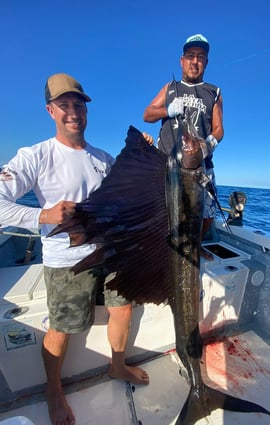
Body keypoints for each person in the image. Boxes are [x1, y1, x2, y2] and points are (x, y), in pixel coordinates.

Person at [0, 73, 152, 425]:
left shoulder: (103, 159)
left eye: (78, 105)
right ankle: (53, 388)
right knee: (64, 327)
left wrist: (141, 155)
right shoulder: (34, 155)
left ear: (86, 110)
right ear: (50, 110)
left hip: (110, 251)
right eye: (64, 105)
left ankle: (117, 366)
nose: (73, 112)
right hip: (67, 261)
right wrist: (43, 214)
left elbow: (124, 195)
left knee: (123, 310)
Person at [144, 34, 224, 259]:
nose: (195, 61)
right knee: (164, 211)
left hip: (200, 162)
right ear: (182, 60)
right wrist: (167, 110)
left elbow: (219, 128)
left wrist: (209, 144)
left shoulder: (214, 92)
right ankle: (162, 251)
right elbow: (147, 114)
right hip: (168, 163)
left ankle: (195, 244)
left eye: (201, 57)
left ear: (206, 62)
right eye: (190, 56)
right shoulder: (170, 88)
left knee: (208, 210)